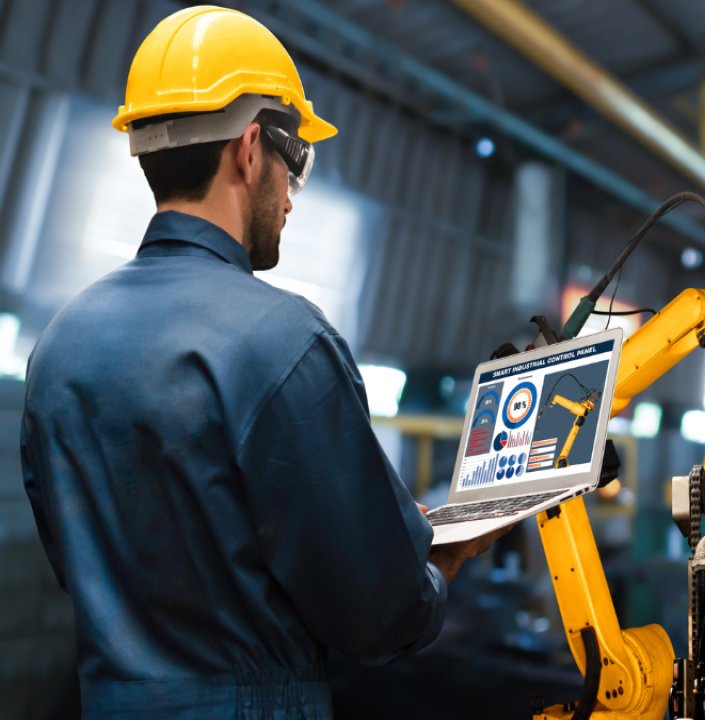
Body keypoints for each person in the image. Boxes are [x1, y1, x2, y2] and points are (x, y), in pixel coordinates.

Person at [20, 6, 498, 718]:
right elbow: (379, 616)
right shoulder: (283, 340)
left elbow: (81, 563)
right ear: (250, 149)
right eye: (294, 160)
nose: (292, 196)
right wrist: (436, 565)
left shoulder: (60, 343)